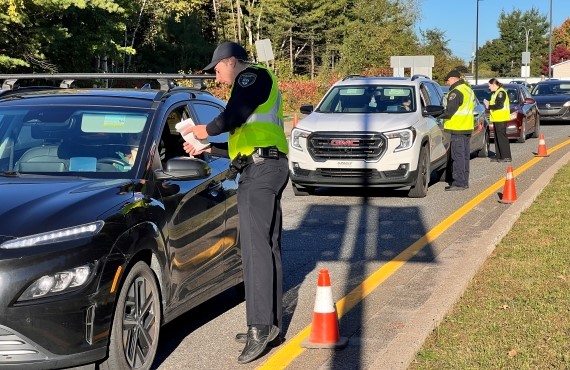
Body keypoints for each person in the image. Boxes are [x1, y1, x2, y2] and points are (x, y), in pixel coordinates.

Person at [181, 41, 289, 364]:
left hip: (262, 172)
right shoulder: (251, 87)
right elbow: (238, 145)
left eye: (217, 69)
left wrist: (201, 130)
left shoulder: (250, 78)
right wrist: (206, 149)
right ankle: (271, 326)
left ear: (231, 62)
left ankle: (259, 328)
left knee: (256, 251)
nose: (216, 77)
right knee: (267, 248)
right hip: (262, 166)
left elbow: (233, 116)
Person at [438, 70, 475, 191]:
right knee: (464, 156)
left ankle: (459, 182)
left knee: (457, 156)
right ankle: (464, 181)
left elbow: (449, 112)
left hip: (457, 128)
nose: (448, 83)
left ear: (453, 79)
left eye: (448, 80)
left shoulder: (456, 92)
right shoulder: (468, 89)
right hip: (467, 127)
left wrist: (436, 115)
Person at [484, 78, 512, 162]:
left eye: (489, 86)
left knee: (502, 138)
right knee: (497, 138)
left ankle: (506, 156)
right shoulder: (495, 93)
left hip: (501, 118)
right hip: (497, 118)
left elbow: (500, 105)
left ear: (493, 84)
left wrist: (489, 106)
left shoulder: (501, 92)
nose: (489, 88)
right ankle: (499, 156)